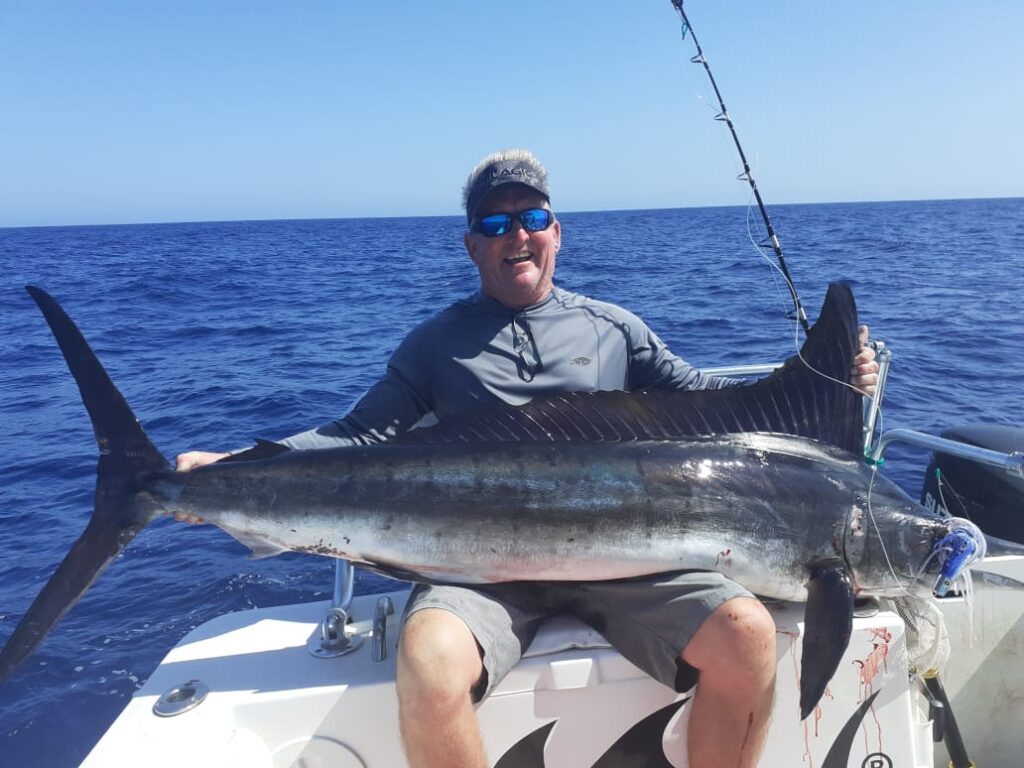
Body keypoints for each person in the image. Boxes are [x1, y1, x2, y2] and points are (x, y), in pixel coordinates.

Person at [178, 148, 879, 768]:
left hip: (631, 560)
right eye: (494, 223)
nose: (516, 233)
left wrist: (828, 385)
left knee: (747, 634)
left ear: (556, 233)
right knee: (428, 660)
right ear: (472, 246)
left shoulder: (615, 328)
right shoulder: (435, 343)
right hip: (481, 568)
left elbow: (714, 405)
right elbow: (360, 435)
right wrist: (232, 467)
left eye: (531, 217)